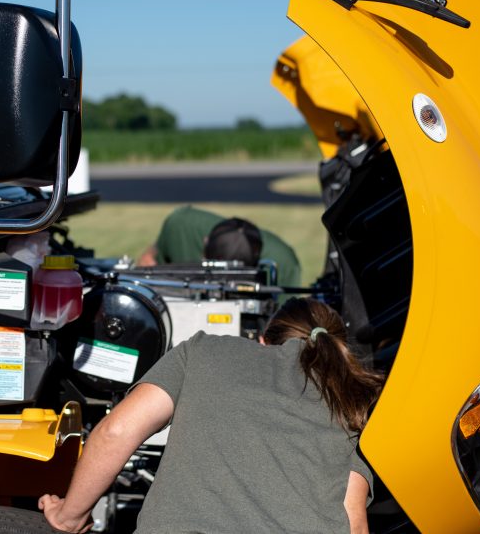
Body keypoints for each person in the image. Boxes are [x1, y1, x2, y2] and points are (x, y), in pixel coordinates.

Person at [39, 298, 383, 533]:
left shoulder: (205, 349)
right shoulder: (354, 399)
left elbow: (116, 432)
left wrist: (70, 516)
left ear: (262, 340)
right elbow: (353, 522)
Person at [136, 205, 301, 287]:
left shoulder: (284, 264)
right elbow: (150, 259)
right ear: (204, 241)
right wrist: (150, 255)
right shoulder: (181, 225)